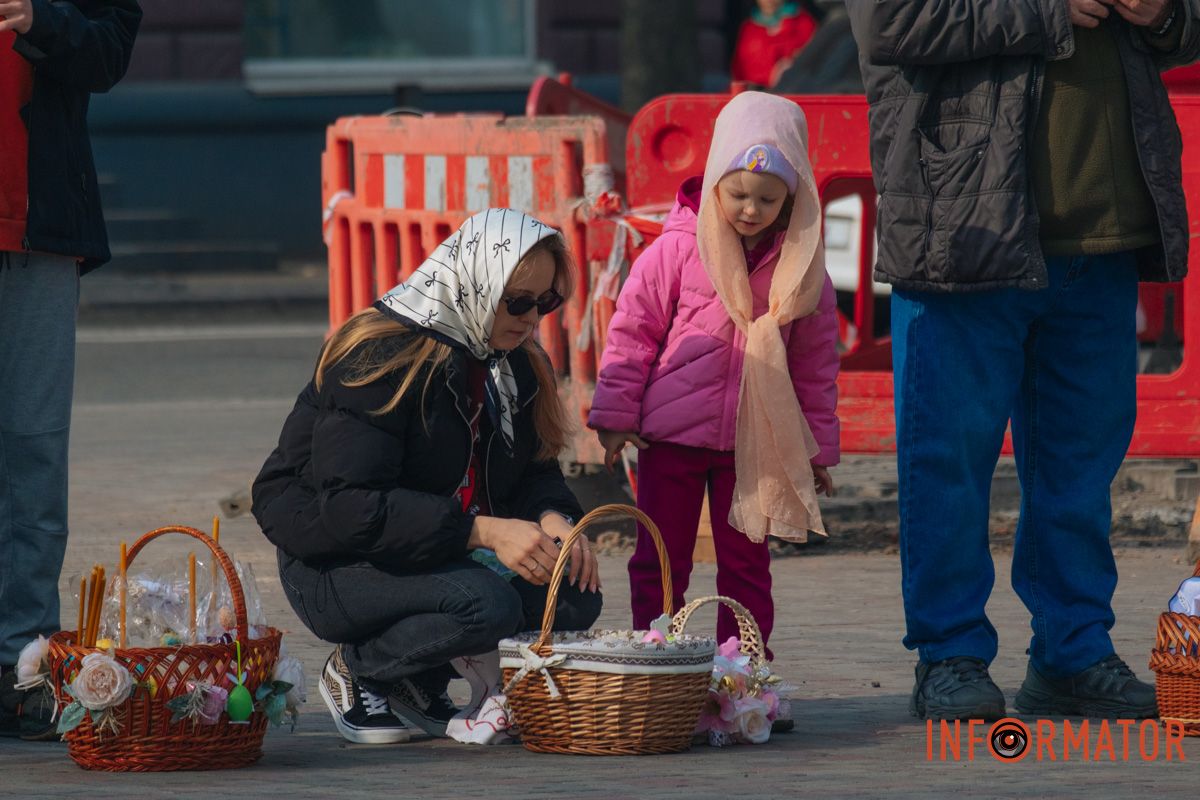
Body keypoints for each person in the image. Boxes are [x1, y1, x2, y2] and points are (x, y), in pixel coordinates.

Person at [846, 0, 1200, 721]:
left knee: (1079, 469)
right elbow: (890, 22)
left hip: (1103, 230)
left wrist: (1165, 14)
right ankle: (949, 656)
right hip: (962, 222)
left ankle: (1073, 653)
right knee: (947, 460)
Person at [252, 209, 603, 744]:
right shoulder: (383, 357)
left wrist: (553, 517)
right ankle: (361, 668)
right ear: (477, 285)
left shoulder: (512, 361)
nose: (533, 317)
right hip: (336, 561)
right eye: (518, 301)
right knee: (488, 604)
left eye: (547, 301)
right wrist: (484, 531)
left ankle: (416, 678)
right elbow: (352, 509)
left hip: (433, 547)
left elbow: (536, 472)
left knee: (573, 593)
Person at [589, 91, 840, 663]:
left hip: (754, 442)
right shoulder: (675, 249)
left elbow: (816, 369)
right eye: (737, 194)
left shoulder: (804, 273)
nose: (750, 209)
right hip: (669, 437)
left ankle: (743, 667)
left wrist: (818, 450)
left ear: (793, 196)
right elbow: (632, 334)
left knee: (747, 560)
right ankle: (656, 657)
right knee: (659, 554)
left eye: (768, 199)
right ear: (714, 183)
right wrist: (614, 417)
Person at [0, 0, 140, 741]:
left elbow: (110, 52)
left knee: (32, 446)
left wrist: (38, 18)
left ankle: (20, 662)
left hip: (36, 221)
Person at [731, 0, 819, 88]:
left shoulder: (803, 22)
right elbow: (738, 70)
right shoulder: (749, 28)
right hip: (753, 94)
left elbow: (813, 63)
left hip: (790, 93)